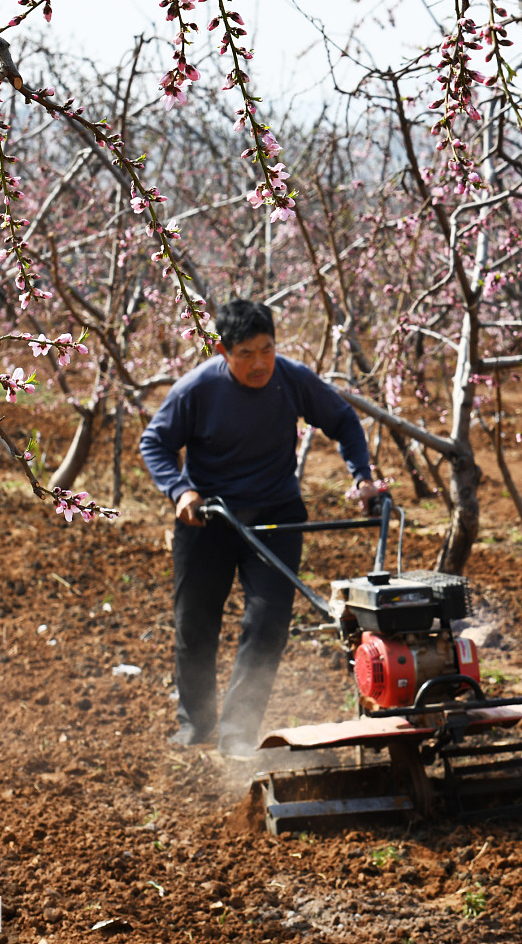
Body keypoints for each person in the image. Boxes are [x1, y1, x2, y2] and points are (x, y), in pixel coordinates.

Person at [140, 298, 378, 757]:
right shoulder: (197, 390)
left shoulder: (290, 378)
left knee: (268, 622)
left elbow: (343, 420)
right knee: (195, 623)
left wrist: (362, 476)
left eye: (267, 349)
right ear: (222, 351)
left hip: (275, 514)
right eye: (246, 353)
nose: (259, 363)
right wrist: (181, 490)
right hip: (209, 516)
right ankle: (196, 724)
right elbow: (156, 443)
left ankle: (238, 733)